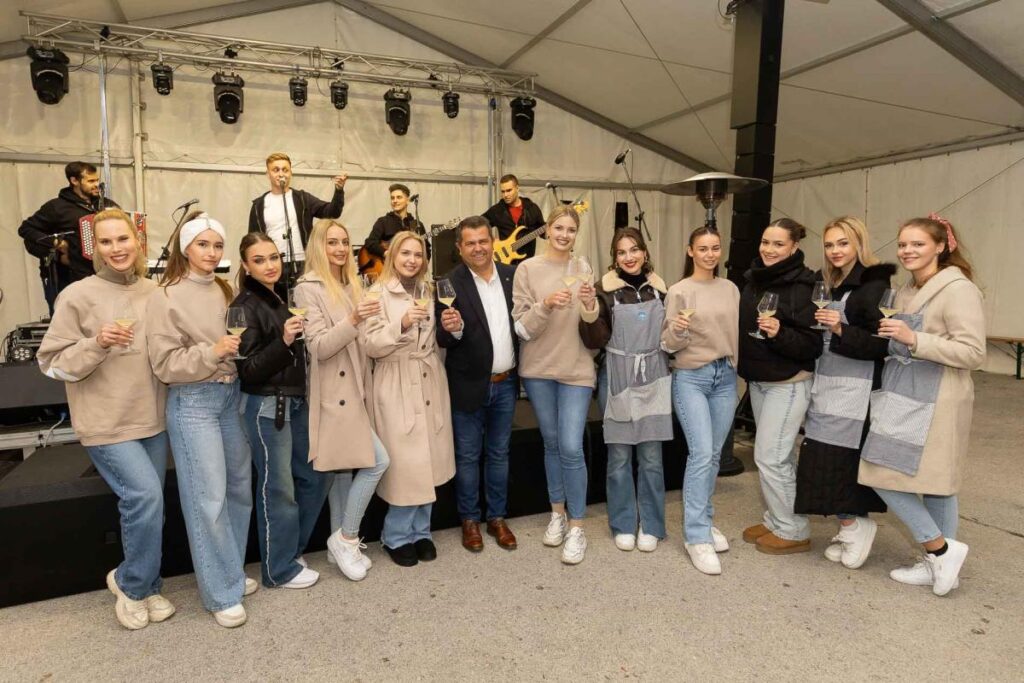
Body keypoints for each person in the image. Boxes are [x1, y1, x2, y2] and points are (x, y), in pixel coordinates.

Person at [36, 208, 171, 630]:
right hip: (105, 423)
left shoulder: (156, 292)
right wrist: (96, 343)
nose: (117, 248)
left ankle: (148, 584)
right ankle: (132, 584)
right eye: (107, 241)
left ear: (138, 241)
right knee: (145, 498)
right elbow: (52, 363)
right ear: (95, 247)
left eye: (123, 239)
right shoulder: (76, 295)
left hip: (153, 419)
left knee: (152, 506)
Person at [860, 215, 984, 596]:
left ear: (941, 247)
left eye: (917, 244)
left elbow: (973, 352)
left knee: (888, 473)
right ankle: (940, 562)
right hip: (904, 391)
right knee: (929, 481)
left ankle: (940, 550)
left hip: (940, 397)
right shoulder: (906, 289)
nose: (907, 251)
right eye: (902, 244)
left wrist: (914, 339)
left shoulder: (958, 290)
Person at [145, 212, 253, 628]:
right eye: (202, 244)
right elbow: (164, 364)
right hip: (193, 402)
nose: (211, 252)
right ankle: (219, 592)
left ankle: (230, 571)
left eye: (217, 245)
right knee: (207, 498)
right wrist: (213, 352)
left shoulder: (225, 288)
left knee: (238, 489)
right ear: (185, 248)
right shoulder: (165, 295)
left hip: (230, 396)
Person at [295, 219, 391, 580]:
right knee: (377, 461)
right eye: (332, 242)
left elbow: (364, 340)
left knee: (344, 470)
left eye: (344, 242)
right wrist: (353, 319)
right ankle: (347, 537)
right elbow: (319, 347)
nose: (339, 249)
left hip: (357, 387)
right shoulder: (307, 288)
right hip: (335, 394)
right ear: (318, 246)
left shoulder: (353, 283)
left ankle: (339, 550)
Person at [794, 217, 892, 569]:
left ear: (858, 243)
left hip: (855, 388)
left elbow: (883, 343)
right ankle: (851, 526)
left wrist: (839, 329)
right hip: (828, 382)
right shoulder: (830, 282)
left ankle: (854, 526)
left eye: (843, 243)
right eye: (830, 245)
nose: (835, 251)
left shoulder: (874, 284)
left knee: (836, 462)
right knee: (821, 459)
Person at [233, 232, 327, 590]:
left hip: (294, 401)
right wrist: (284, 341)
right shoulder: (243, 306)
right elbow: (248, 370)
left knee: (315, 477)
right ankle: (278, 570)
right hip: (267, 406)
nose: (269, 265)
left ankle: (290, 551)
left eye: (274, 257)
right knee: (278, 489)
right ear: (246, 266)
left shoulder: (279, 298)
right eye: (259, 260)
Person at [363, 230, 455, 567]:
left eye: (418, 254)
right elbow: (369, 345)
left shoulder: (429, 290)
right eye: (406, 253)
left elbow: (435, 339)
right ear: (392, 256)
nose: (412, 260)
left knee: (429, 459)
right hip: (395, 381)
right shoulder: (376, 293)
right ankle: (396, 535)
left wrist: (453, 327)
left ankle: (421, 532)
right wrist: (400, 324)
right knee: (406, 465)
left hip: (429, 378)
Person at [579, 227, 672, 555]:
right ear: (614, 258)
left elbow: (670, 336)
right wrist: (588, 309)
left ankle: (652, 524)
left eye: (634, 250)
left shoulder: (662, 290)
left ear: (645, 252)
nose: (629, 257)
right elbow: (593, 340)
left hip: (654, 373)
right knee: (619, 456)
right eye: (622, 252)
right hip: (617, 374)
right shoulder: (603, 291)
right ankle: (622, 523)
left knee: (651, 456)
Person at [512, 205, 595, 565]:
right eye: (558, 228)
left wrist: (590, 304)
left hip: (577, 367)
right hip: (539, 369)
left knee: (571, 446)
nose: (564, 234)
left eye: (570, 229)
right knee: (551, 442)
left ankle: (577, 526)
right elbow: (522, 328)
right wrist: (545, 304)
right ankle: (557, 513)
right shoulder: (527, 269)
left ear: (576, 234)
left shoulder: (583, 267)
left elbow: (591, 319)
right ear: (547, 230)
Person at [739, 218, 822, 555]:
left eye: (778, 244)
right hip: (760, 379)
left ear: (794, 247)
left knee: (770, 457)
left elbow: (812, 345)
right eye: (765, 242)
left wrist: (779, 333)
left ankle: (793, 529)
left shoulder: (804, 285)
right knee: (778, 455)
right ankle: (777, 518)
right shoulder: (755, 277)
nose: (769, 250)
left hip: (788, 382)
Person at [435, 216, 519, 552]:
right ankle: (469, 520)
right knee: (468, 457)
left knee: (499, 454)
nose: (478, 248)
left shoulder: (512, 276)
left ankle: (497, 517)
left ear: (493, 242)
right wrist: (452, 328)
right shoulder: (449, 283)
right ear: (459, 248)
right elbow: (443, 337)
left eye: (483, 241)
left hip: (506, 384)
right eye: (470, 243)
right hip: (467, 384)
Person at [661, 227, 739, 575]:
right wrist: (678, 330)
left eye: (715, 248)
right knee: (702, 453)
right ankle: (696, 536)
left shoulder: (730, 288)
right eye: (703, 248)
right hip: (692, 377)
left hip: (725, 377)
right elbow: (667, 343)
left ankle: (704, 520)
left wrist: (735, 367)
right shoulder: (679, 291)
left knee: (713, 456)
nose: (710, 254)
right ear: (690, 251)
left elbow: (734, 334)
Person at [18, 161, 118, 314]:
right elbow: (26, 229)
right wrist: (58, 243)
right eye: (91, 181)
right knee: (70, 318)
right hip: (68, 278)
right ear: (74, 181)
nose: (96, 184)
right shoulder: (57, 207)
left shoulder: (107, 205)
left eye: (97, 180)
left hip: (104, 276)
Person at [247, 151, 347, 284]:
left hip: (304, 262)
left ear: (291, 173)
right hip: (272, 264)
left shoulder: (303, 199)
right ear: (268, 174)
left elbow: (332, 212)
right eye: (276, 170)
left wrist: (339, 191)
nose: (281, 174)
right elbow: (252, 239)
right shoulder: (258, 205)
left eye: (285, 170)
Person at [362, 183, 429, 272]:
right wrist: (385, 253)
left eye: (399, 197)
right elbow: (370, 243)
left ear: (407, 200)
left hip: (410, 271)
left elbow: (426, 249)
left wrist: (421, 267)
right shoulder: (383, 221)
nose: (395, 200)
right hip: (388, 269)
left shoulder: (417, 224)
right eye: (392, 198)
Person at [483, 174, 545, 263]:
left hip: (527, 262)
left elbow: (543, 230)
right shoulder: (497, 210)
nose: (505, 195)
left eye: (509, 190)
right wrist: (491, 240)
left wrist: (550, 232)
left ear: (517, 188)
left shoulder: (532, 208)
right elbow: (478, 225)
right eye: (503, 191)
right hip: (504, 261)